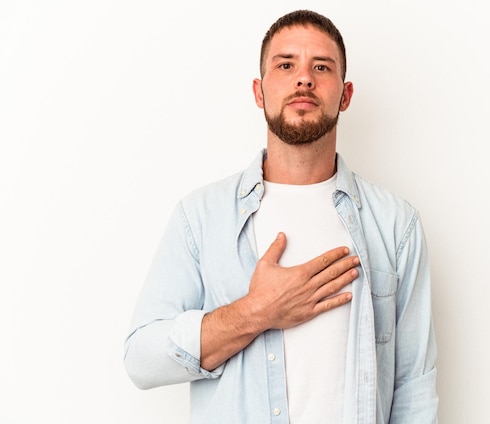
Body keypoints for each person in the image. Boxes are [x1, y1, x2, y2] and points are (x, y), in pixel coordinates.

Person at [124, 9, 438, 424]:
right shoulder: (199, 217)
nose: (303, 79)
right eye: (286, 64)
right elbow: (141, 358)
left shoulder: (396, 224)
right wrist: (257, 311)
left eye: (320, 67)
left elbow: (414, 387)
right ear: (260, 91)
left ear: (345, 95)